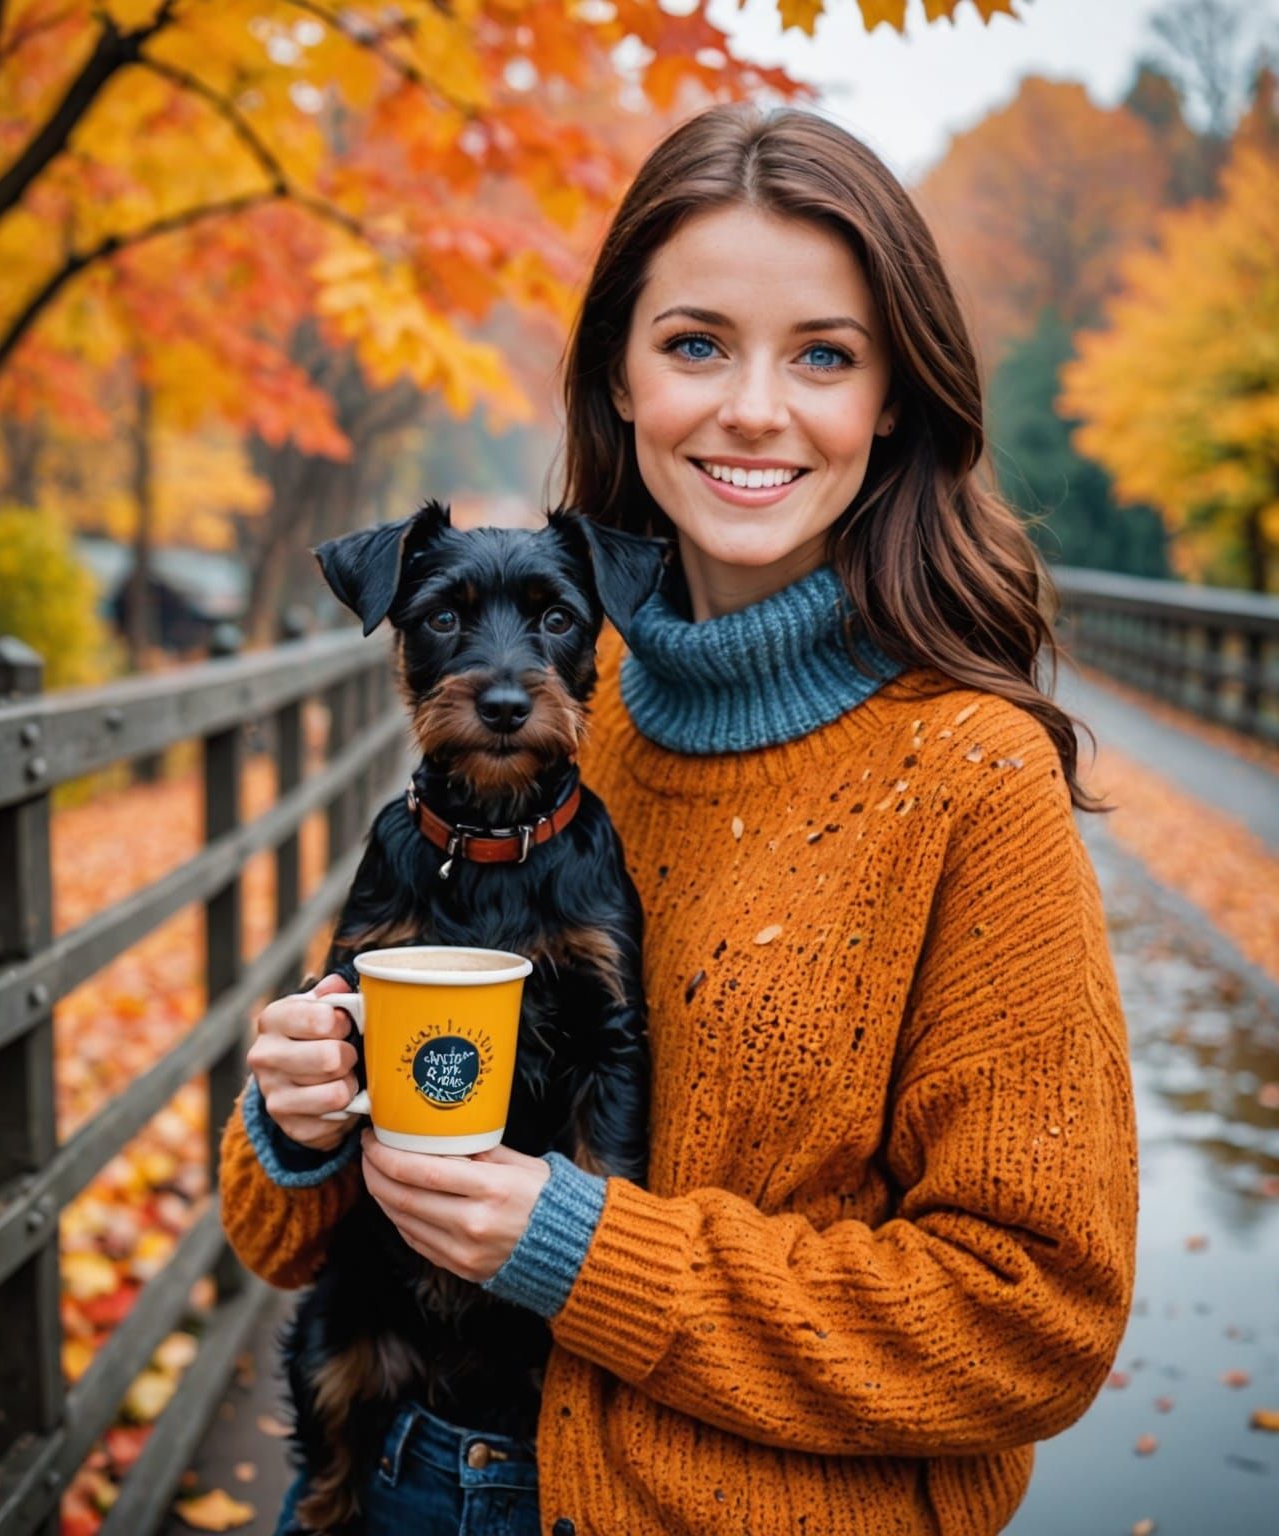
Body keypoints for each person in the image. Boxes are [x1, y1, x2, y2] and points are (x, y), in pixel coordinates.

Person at [221, 102, 1139, 1536]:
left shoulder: (971, 781)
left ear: (893, 397)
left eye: (823, 355)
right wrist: (292, 1119)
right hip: (398, 1477)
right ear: (622, 380)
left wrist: (584, 1251)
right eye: (697, 343)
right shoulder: (560, 746)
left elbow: (1035, 1321)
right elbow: (283, 1242)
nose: (754, 409)